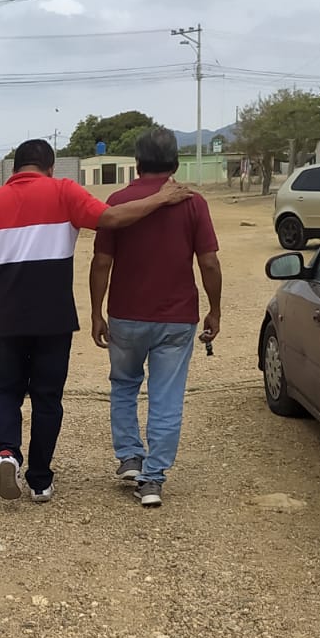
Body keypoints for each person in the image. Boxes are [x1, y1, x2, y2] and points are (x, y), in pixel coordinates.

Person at [0, 139, 190, 501]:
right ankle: (40, 480)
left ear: (14, 169)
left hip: (6, 318)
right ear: (50, 168)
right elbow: (111, 218)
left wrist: (6, 244)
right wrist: (161, 199)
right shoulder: (64, 191)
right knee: (47, 398)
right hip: (54, 318)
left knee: (6, 391)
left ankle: (7, 452)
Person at [89, 126, 221, 509]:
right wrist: (214, 309)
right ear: (175, 164)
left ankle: (130, 458)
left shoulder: (118, 202)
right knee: (167, 396)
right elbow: (209, 263)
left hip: (126, 315)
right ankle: (153, 479)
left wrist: (96, 312)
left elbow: (101, 262)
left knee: (124, 385)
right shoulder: (193, 203)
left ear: (137, 163)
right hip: (178, 318)